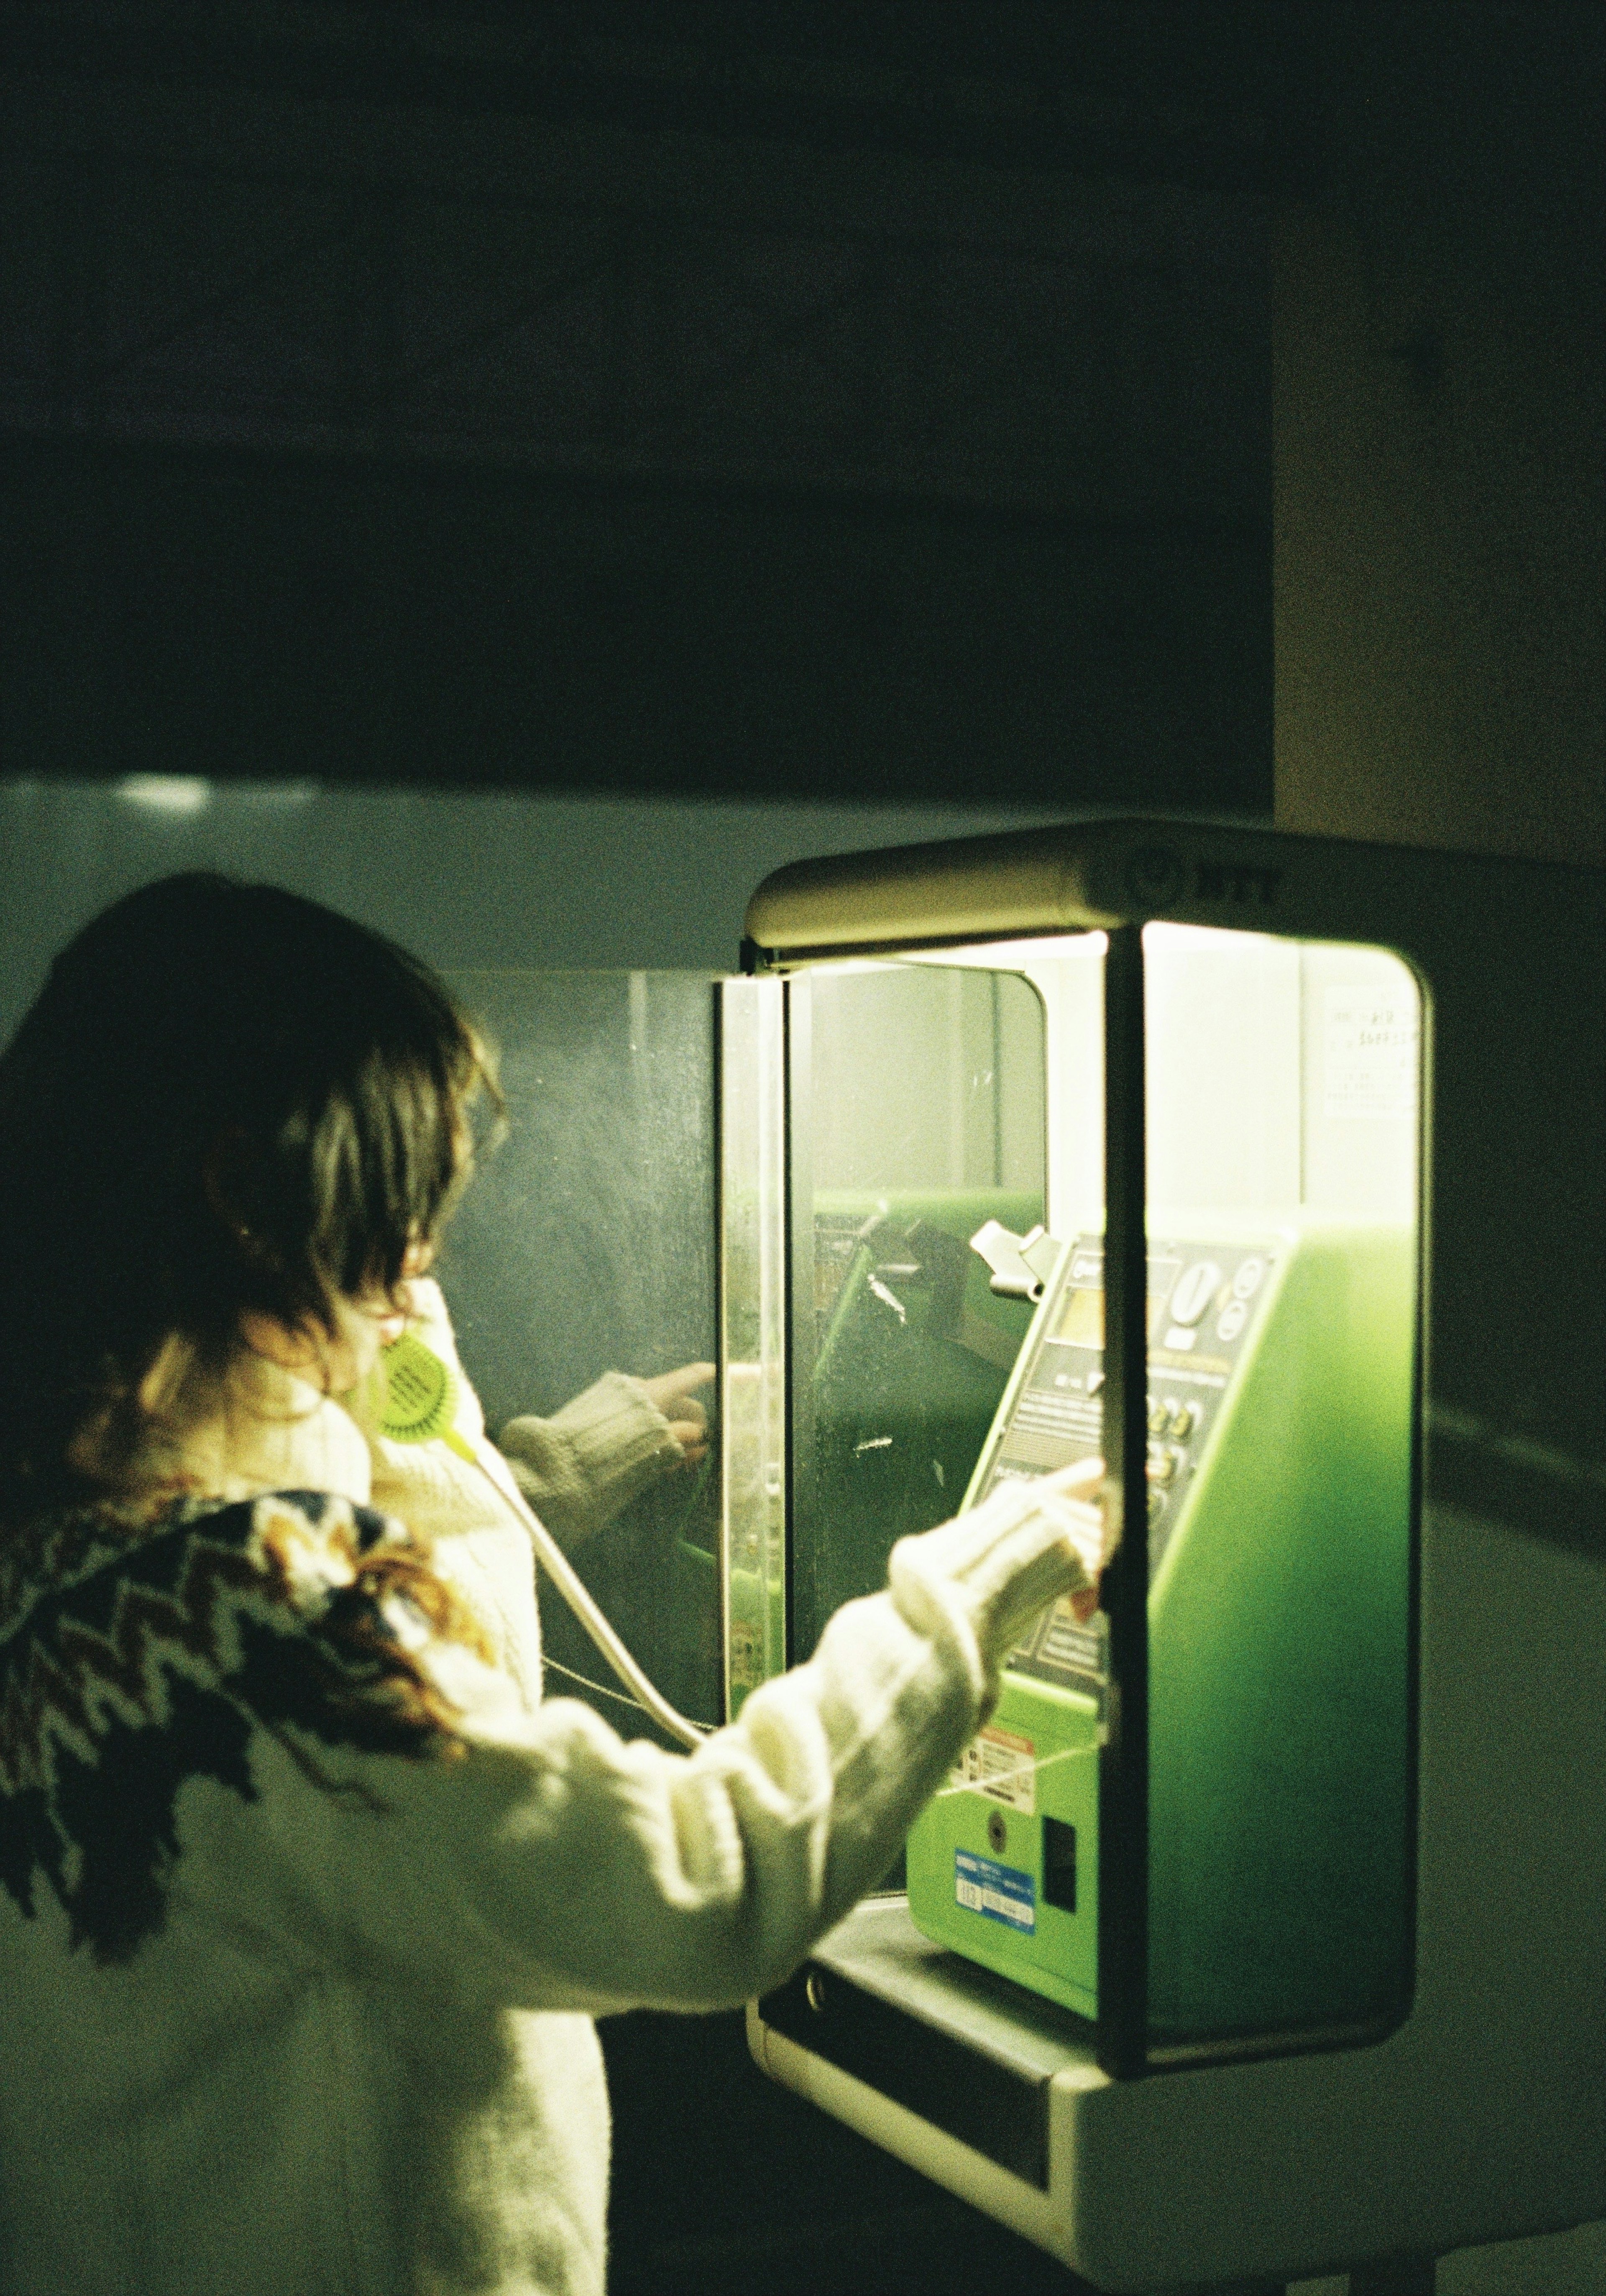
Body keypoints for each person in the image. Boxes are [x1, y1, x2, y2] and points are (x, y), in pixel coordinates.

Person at [0, 873, 1110, 2296]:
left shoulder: (65, 1566)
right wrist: (981, 1581)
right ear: (248, 1206)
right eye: (396, 1212)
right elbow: (703, 1882)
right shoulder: (251, 1622)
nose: (421, 1267)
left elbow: (401, 1654)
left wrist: (564, 1454)